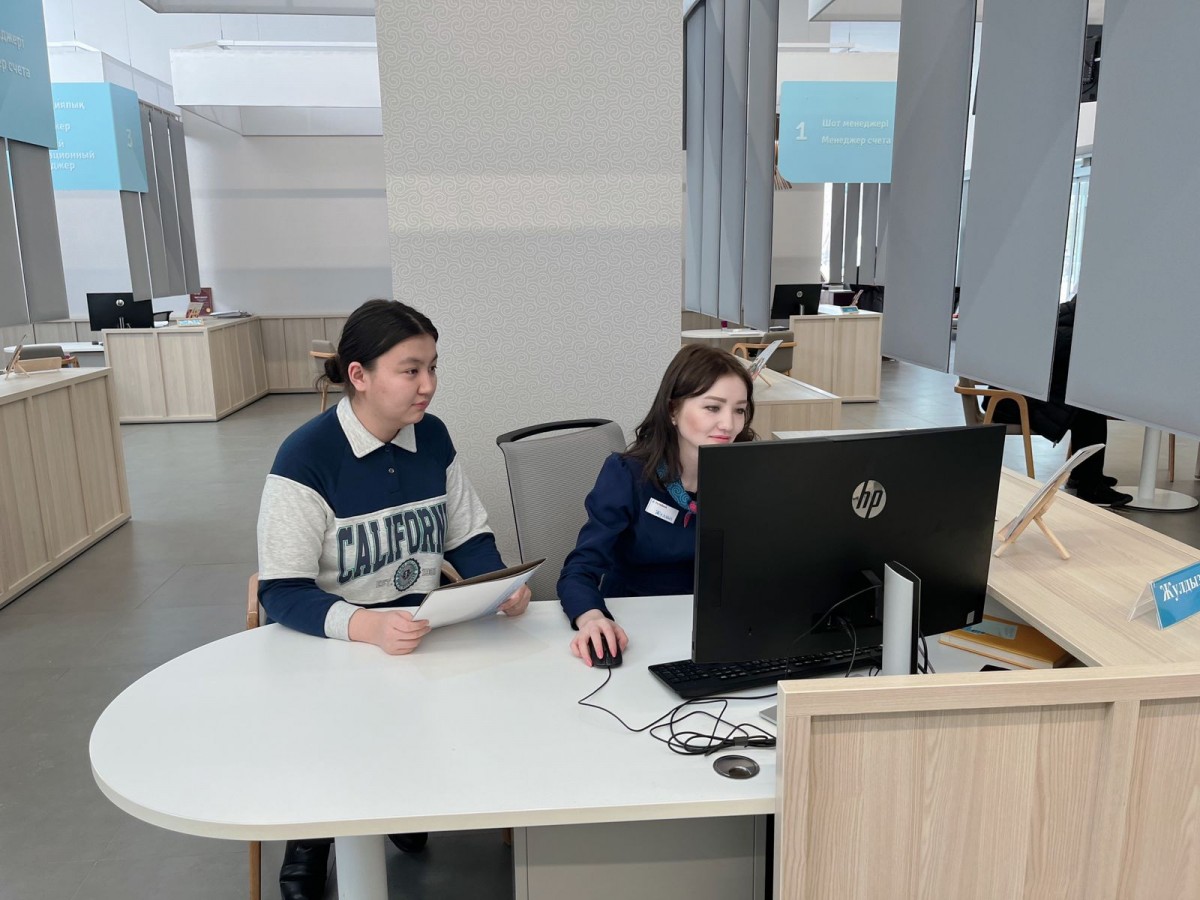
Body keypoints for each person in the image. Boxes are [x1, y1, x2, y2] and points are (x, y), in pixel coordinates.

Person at [256, 298, 531, 900]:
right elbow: (280, 590)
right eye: (411, 370)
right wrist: (366, 627)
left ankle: (399, 797)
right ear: (359, 375)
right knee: (335, 734)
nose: (428, 385)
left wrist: (498, 585)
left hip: (419, 634)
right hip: (334, 640)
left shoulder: (431, 436)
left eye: (432, 367)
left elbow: (468, 537)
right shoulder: (306, 457)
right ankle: (311, 839)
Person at [557, 344, 756, 664]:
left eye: (739, 410)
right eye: (713, 407)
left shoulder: (746, 474)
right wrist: (591, 618)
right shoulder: (627, 474)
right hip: (636, 627)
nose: (728, 425)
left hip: (714, 629)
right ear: (672, 410)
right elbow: (579, 569)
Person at [987, 296, 1131, 507]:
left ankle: (1084, 475)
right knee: (1090, 412)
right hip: (1013, 402)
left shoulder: (1058, 321)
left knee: (1088, 409)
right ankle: (1090, 484)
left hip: (1020, 395)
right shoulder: (1070, 336)